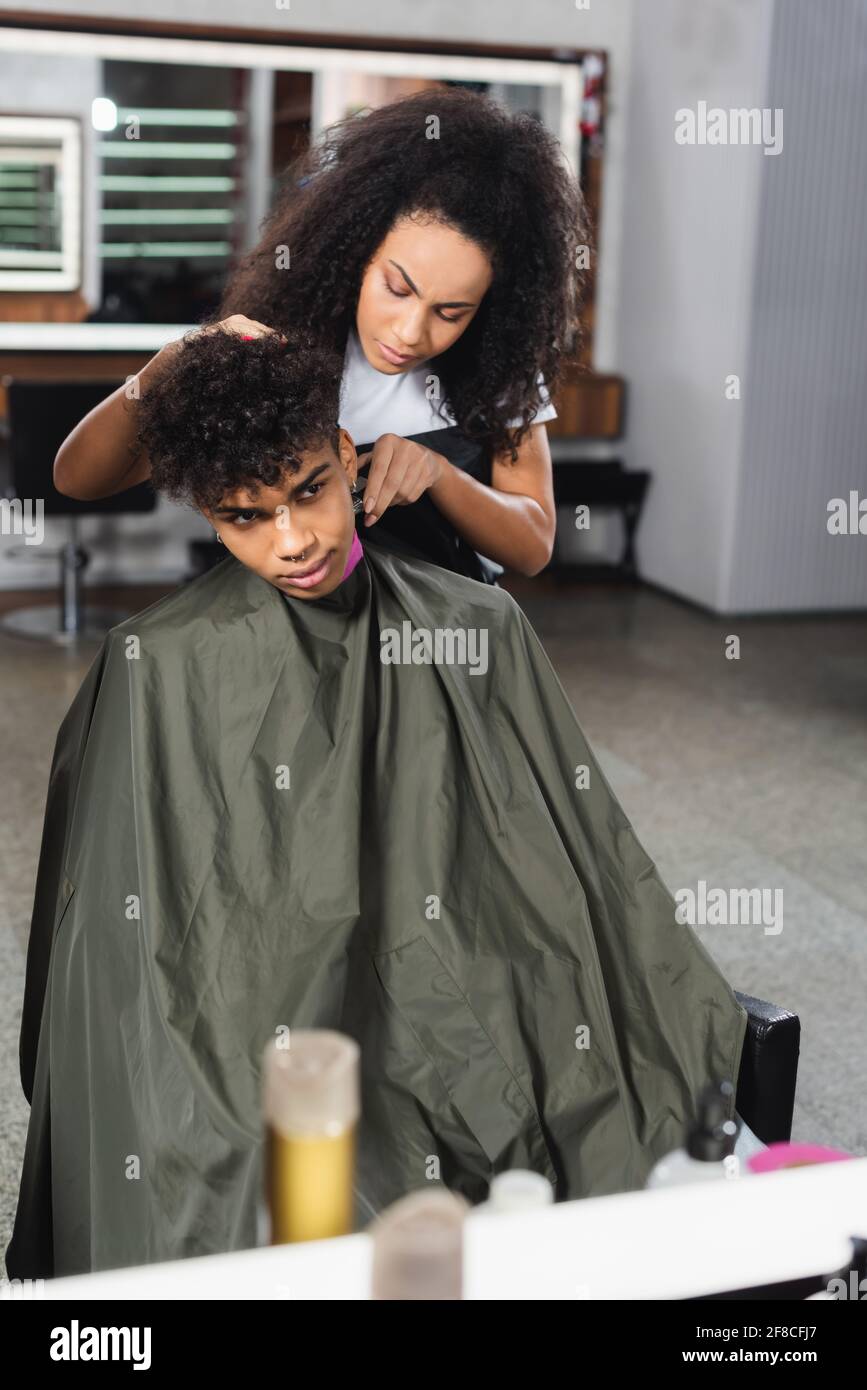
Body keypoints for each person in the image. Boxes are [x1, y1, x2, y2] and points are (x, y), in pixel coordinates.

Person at [6, 329, 753, 1280]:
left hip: (443, 987)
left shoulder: (474, 626)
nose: (293, 541)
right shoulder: (157, 669)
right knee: (219, 1146)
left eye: (309, 490)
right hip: (245, 1019)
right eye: (245, 516)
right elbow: (128, 963)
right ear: (205, 512)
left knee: (550, 1081)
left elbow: (558, 879)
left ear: (347, 454)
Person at [52, 87, 588, 584]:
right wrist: (172, 362)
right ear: (355, 250)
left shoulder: (501, 371)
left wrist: (440, 476)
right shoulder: (276, 356)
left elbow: (533, 545)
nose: (410, 332)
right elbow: (80, 480)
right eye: (397, 289)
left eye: (451, 313)